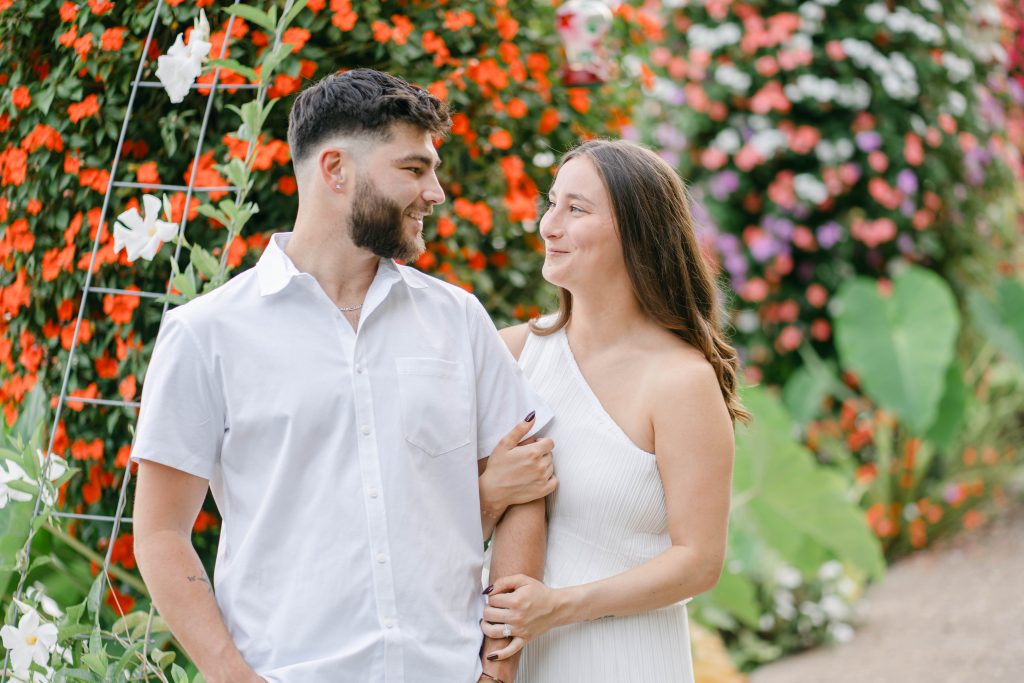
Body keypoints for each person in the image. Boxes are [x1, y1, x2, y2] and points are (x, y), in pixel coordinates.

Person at [130, 69, 556, 683]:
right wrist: (233, 677)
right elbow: (162, 533)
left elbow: (525, 489)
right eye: (414, 169)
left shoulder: (457, 319)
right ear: (336, 170)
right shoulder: (206, 334)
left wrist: (498, 669)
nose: (435, 192)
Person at [480, 140, 750, 682]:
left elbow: (698, 561)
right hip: (513, 663)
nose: (548, 226)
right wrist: (489, 493)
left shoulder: (679, 382)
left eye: (575, 209)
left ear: (636, 233)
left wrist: (560, 605)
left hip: (625, 660)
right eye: (550, 203)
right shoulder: (510, 354)